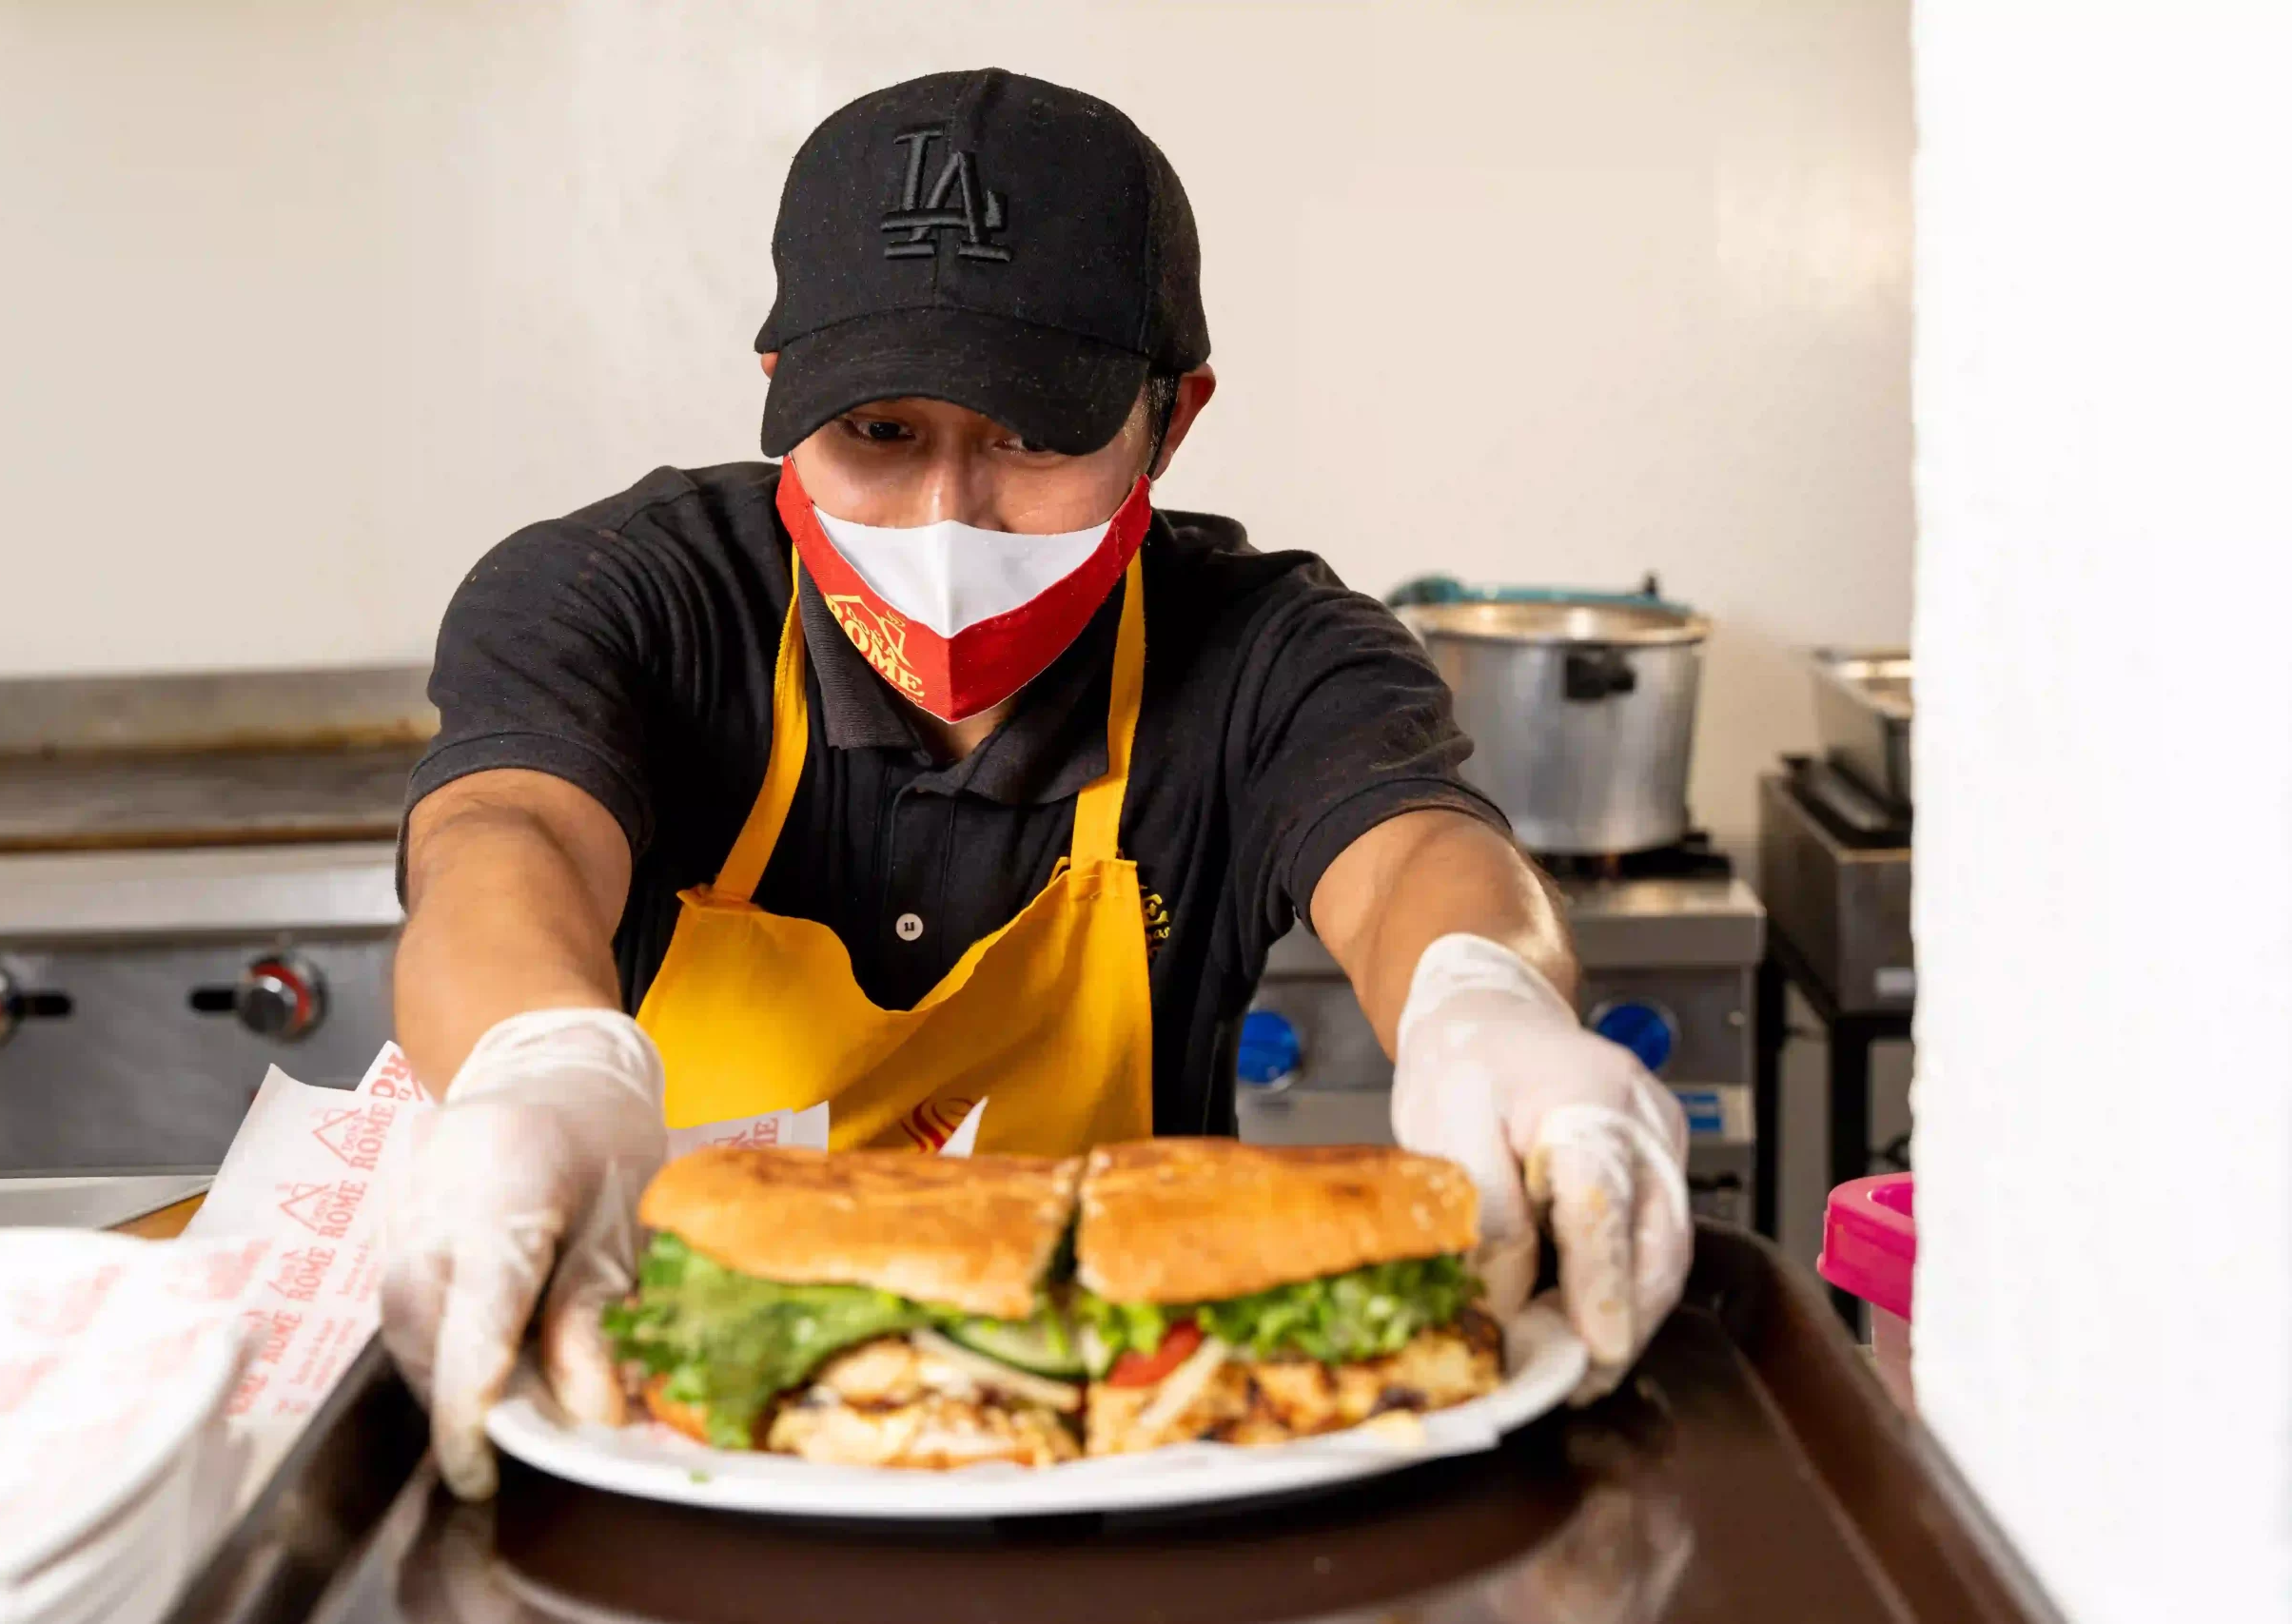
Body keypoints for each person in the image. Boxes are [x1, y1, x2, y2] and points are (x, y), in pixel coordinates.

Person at [381, 68, 1691, 1499]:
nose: (950, 516)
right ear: (781, 399)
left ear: (1171, 421)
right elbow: (504, 836)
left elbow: (1414, 850)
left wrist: (1483, 1000)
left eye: (1034, 436)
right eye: (878, 433)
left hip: (1152, 1459)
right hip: (661, 1432)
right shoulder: (619, 598)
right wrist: (539, 1068)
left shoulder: (1267, 649)